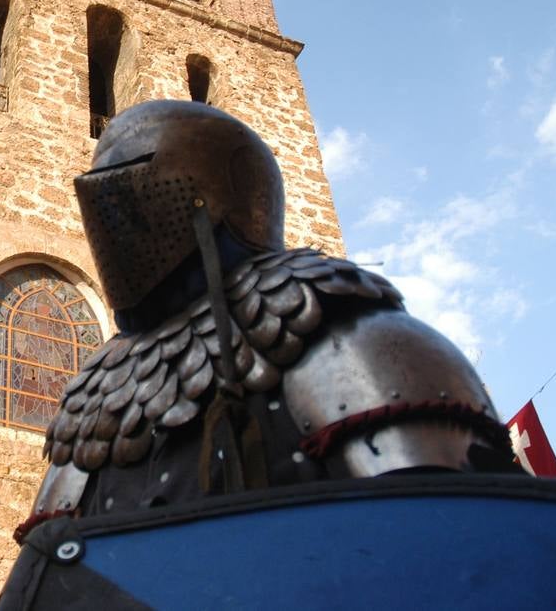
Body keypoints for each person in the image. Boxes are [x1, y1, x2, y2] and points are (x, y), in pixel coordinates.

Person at [25, 101, 519, 525]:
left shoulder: (328, 318)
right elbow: (58, 569)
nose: (118, 222)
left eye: (136, 186)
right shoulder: (96, 393)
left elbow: (447, 534)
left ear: (219, 188)